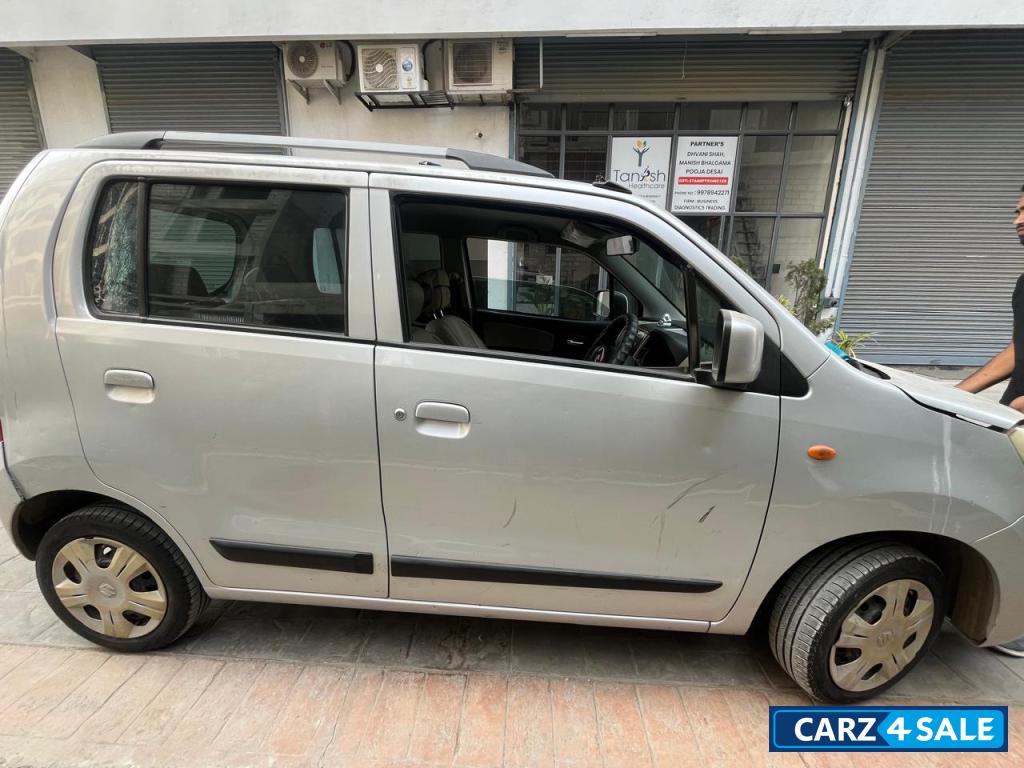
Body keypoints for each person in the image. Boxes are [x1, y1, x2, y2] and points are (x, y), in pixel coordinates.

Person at [955, 184, 1024, 657]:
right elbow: (1020, 347)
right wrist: (964, 391)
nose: (1018, 220)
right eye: (1017, 209)